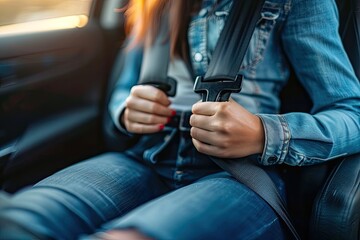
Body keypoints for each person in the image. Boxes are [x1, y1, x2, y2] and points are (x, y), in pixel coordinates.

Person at [0, 0, 359, 239]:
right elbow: (124, 90)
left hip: (239, 174)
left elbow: (352, 112)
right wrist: (128, 110)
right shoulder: (152, 5)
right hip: (146, 156)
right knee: (21, 219)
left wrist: (264, 134)